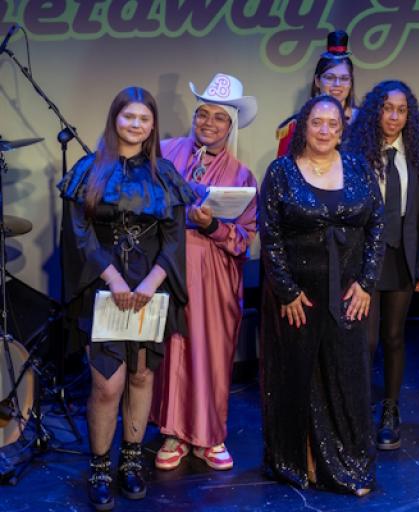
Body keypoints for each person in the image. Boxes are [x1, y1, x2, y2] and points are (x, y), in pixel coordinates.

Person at [58, 87, 195, 510]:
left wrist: (152, 282)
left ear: (153, 126)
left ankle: (130, 460)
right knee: (106, 383)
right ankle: (100, 465)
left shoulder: (165, 173)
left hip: (150, 289)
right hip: (104, 288)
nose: (136, 124)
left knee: (140, 376)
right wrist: (115, 280)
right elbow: (79, 236)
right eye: (128, 116)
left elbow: (174, 238)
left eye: (144, 119)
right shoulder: (88, 170)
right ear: (114, 118)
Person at [259, 95, 384, 495]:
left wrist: (366, 282)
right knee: (299, 376)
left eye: (333, 123)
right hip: (299, 298)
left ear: (342, 128)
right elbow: (271, 236)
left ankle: (348, 465)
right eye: (317, 123)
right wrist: (286, 291)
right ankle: (300, 460)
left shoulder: (358, 167)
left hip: (347, 294)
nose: (325, 130)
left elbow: (378, 228)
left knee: (348, 377)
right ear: (303, 125)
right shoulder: (281, 171)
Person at [150, 73, 259, 471]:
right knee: (173, 351)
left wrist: (214, 226)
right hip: (170, 269)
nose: (208, 123)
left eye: (218, 117)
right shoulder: (164, 153)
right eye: (203, 114)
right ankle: (174, 433)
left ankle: (210, 435)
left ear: (231, 125)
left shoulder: (241, 174)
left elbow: (246, 238)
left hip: (215, 276)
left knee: (210, 354)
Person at [345, 80, 419, 451]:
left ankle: (391, 410)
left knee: (395, 337)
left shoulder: (416, 153)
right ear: (374, 111)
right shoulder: (355, 152)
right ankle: (356, 411)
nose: (394, 116)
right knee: (366, 339)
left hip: (402, 257)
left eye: (401, 110)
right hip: (366, 259)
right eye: (387, 108)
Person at [276, 30, 358, 156]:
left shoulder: (363, 122)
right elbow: (282, 171)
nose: (337, 84)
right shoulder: (296, 125)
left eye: (344, 78)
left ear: (351, 82)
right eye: (330, 77)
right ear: (317, 81)